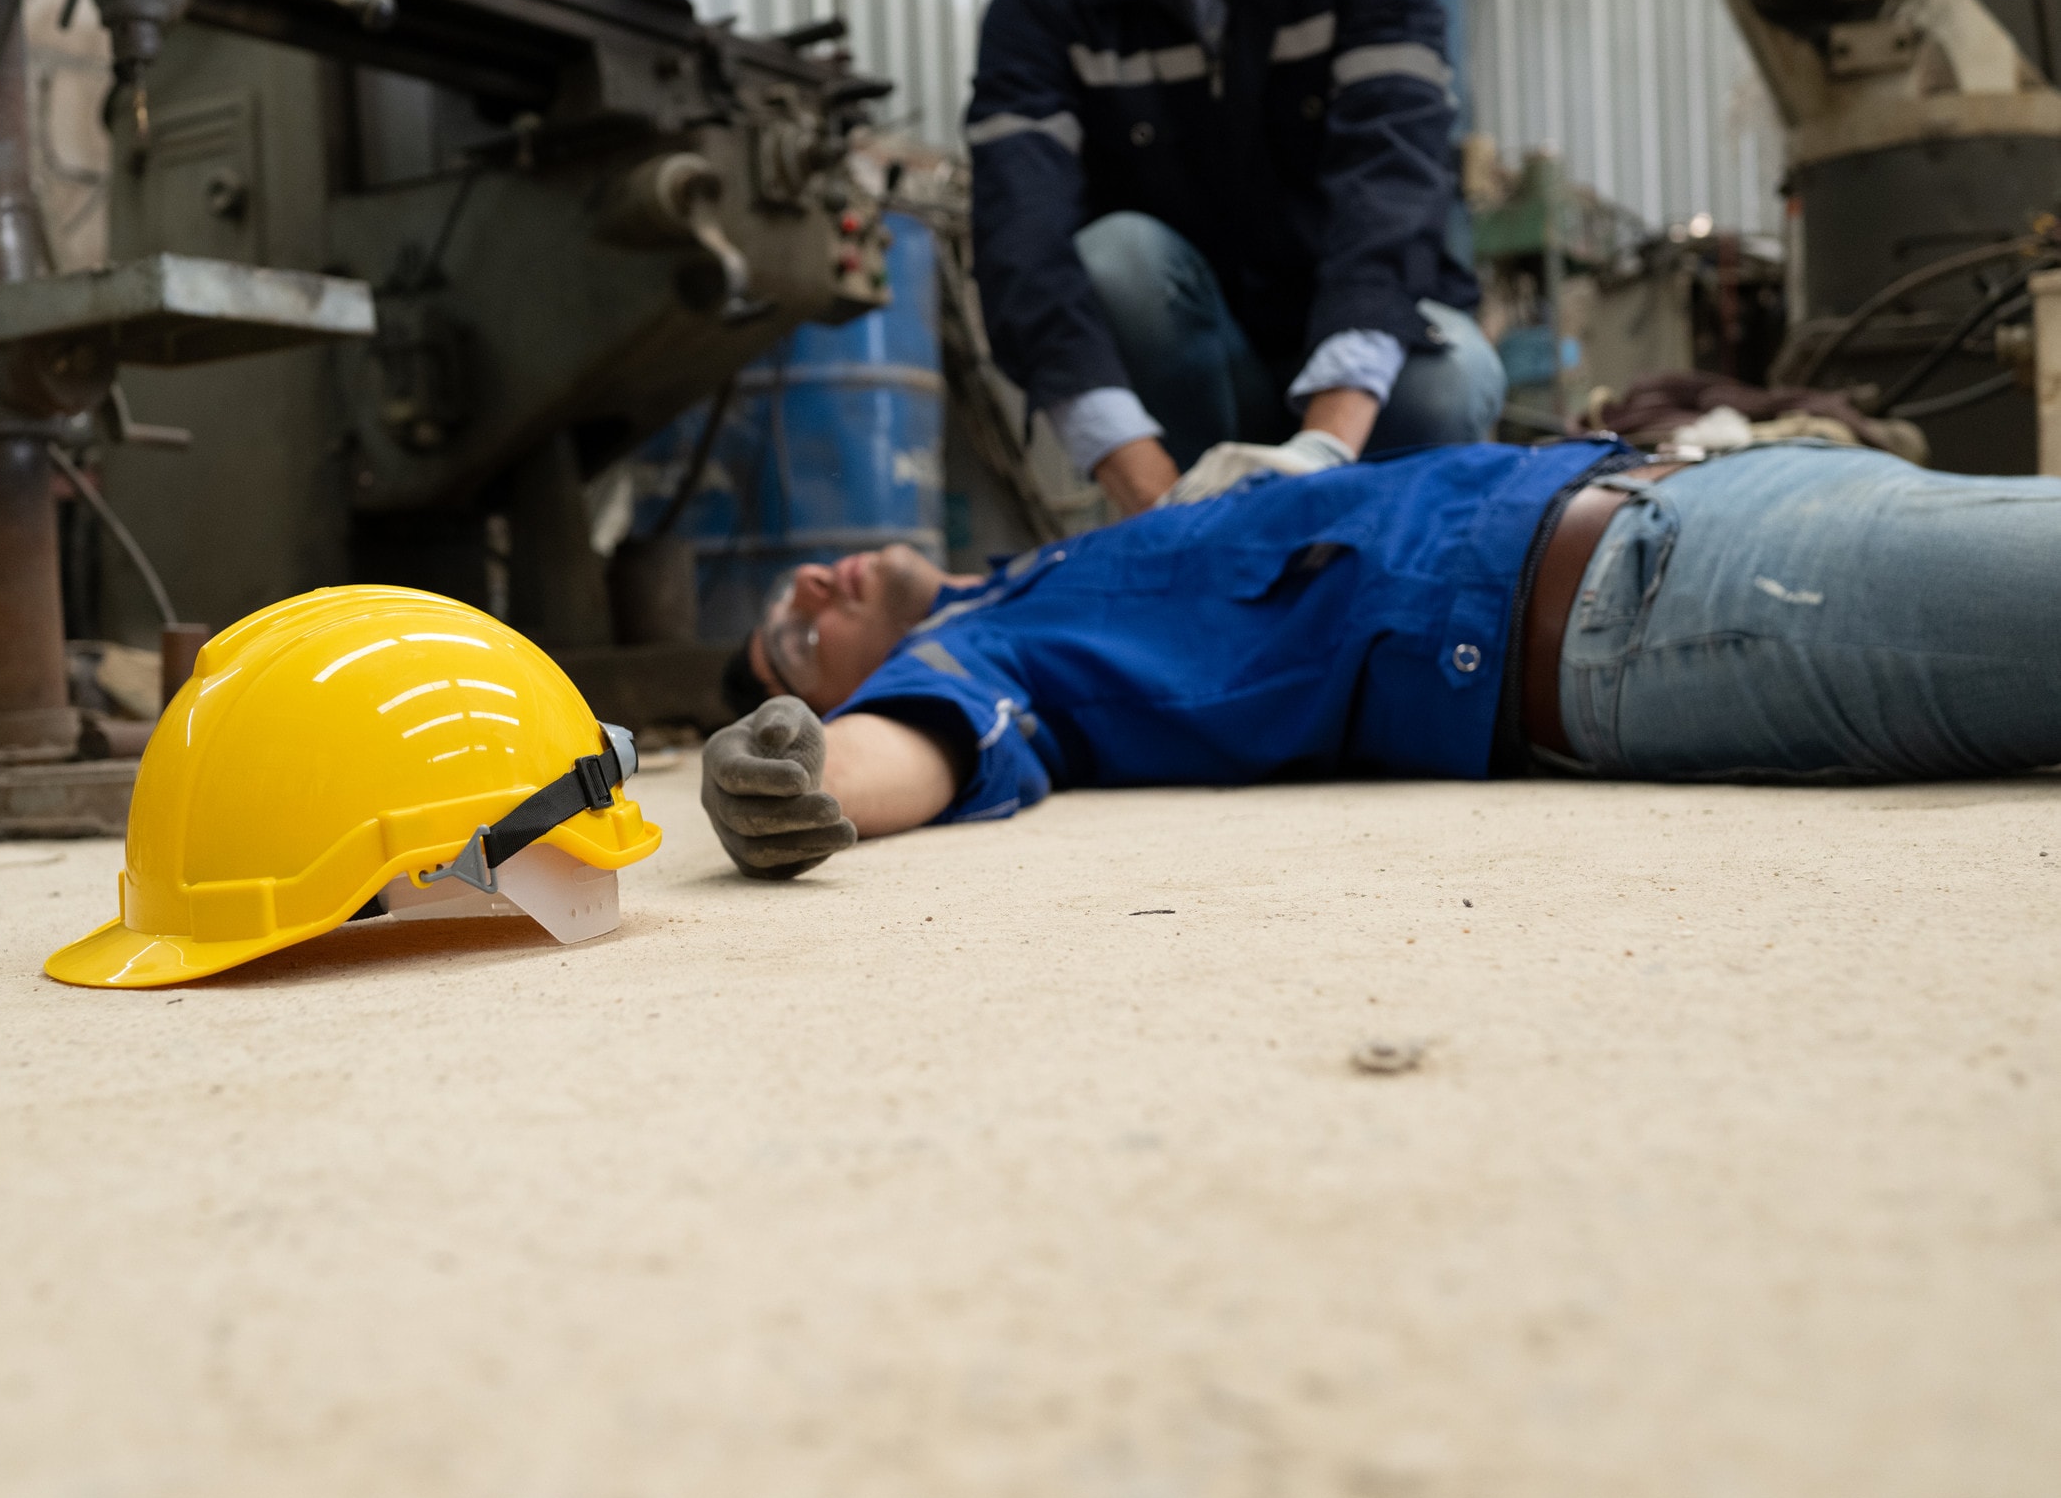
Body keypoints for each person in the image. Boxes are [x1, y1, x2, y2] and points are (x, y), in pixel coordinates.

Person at [701, 440, 2061, 878]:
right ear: (839, 685)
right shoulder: (986, 646)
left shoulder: (1048, 562)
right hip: (1657, 608)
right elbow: (929, 739)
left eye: (796, 586)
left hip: (1705, 496)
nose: (811, 587)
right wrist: (802, 771)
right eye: (795, 638)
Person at [970, 0, 1505, 520]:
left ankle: (1361, 538)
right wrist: (1153, 499)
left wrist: (1320, 452)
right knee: (1117, 259)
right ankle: (1202, 524)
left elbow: (1393, 176)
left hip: (1355, 356)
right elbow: (1021, 232)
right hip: (1194, 372)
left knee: (1452, 378)